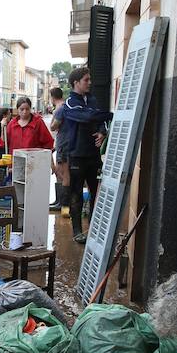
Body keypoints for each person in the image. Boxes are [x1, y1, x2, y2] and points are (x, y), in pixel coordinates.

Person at [60, 67, 113, 243]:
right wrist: (113, 115)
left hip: (93, 155)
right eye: (86, 80)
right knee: (76, 194)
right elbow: (88, 117)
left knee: (96, 193)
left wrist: (101, 132)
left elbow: (99, 120)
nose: (89, 83)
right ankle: (77, 231)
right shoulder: (69, 103)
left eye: (89, 79)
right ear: (76, 83)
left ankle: (93, 230)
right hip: (76, 155)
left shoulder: (92, 100)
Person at [48, 87, 70, 217]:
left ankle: (62, 203)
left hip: (62, 144)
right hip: (61, 144)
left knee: (61, 173)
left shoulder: (59, 108)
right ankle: (59, 201)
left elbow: (53, 126)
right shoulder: (65, 106)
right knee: (60, 174)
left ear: (52, 97)